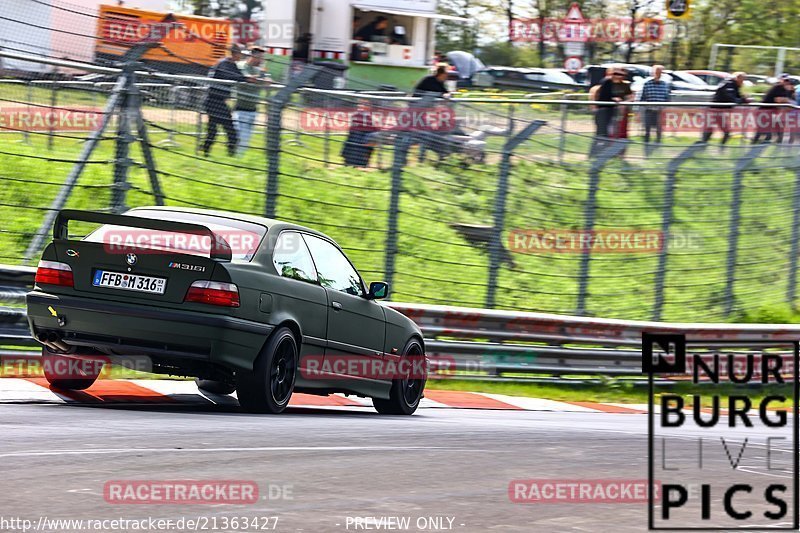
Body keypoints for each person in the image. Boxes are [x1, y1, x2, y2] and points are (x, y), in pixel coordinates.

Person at [202, 45, 251, 157]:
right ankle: (227, 154)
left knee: (215, 131)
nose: (242, 56)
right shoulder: (224, 63)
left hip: (219, 101)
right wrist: (246, 78)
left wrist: (250, 78)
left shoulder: (232, 64)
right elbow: (229, 76)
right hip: (213, 101)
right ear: (235, 53)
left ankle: (205, 151)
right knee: (229, 131)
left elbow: (239, 75)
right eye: (241, 54)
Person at [233, 47, 270, 156]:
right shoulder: (241, 66)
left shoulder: (260, 69)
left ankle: (239, 159)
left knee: (246, 139)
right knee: (238, 137)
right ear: (254, 56)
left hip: (253, 110)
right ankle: (233, 157)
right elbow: (248, 79)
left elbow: (268, 82)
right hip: (240, 109)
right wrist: (261, 79)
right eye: (261, 58)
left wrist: (264, 78)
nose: (262, 61)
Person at [590, 69, 631, 157]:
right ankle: (594, 155)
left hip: (610, 112)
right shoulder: (607, 82)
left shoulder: (618, 84)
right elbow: (603, 97)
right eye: (617, 74)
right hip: (603, 112)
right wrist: (614, 100)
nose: (619, 76)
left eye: (621, 75)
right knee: (601, 135)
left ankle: (602, 155)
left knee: (606, 135)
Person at [701, 72, 748, 145]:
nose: (743, 81)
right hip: (715, 110)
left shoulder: (733, 85)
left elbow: (737, 97)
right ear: (738, 78)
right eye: (743, 79)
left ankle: (717, 148)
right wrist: (743, 100)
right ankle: (703, 146)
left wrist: (744, 99)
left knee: (723, 131)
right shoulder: (729, 84)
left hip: (718, 110)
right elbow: (732, 98)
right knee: (714, 130)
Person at [752, 74, 794, 144]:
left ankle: (756, 147)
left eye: (788, 81)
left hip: (770, 113)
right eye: (785, 80)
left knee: (769, 133)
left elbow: (784, 102)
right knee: (764, 133)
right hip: (763, 112)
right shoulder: (777, 87)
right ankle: (754, 148)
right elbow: (778, 100)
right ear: (780, 80)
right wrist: (788, 101)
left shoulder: (785, 90)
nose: (787, 82)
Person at [636, 65, 670, 150]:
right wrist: (638, 111)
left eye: (660, 72)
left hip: (659, 111)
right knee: (647, 130)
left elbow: (667, 98)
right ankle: (646, 147)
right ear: (652, 73)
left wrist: (664, 107)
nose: (658, 74)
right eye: (656, 72)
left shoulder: (664, 85)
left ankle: (657, 147)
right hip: (649, 110)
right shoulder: (647, 84)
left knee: (659, 130)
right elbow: (642, 98)